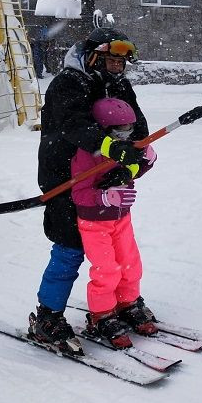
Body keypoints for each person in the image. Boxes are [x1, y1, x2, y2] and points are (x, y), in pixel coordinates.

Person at [29, 27, 149, 354]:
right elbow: (74, 127)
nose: (118, 67)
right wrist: (112, 147)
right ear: (94, 55)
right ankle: (47, 316)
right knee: (70, 247)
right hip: (65, 181)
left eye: (122, 62)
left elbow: (138, 127)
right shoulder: (69, 83)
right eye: (111, 60)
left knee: (118, 248)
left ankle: (122, 302)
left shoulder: (120, 85)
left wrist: (131, 164)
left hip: (107, 181)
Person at [72, 98, 157, 349]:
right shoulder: (87, 154)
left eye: (129, 129)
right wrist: (104, 197)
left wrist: (145, 162)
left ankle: (128, 303)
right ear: (104, 130)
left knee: (131, 264)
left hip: (121, 218)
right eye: (119, 131)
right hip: (93, 222)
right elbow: (79, 193)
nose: (125, 135)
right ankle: (102, 314)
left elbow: (131, 167)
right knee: (106, 269)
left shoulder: (125, 148)